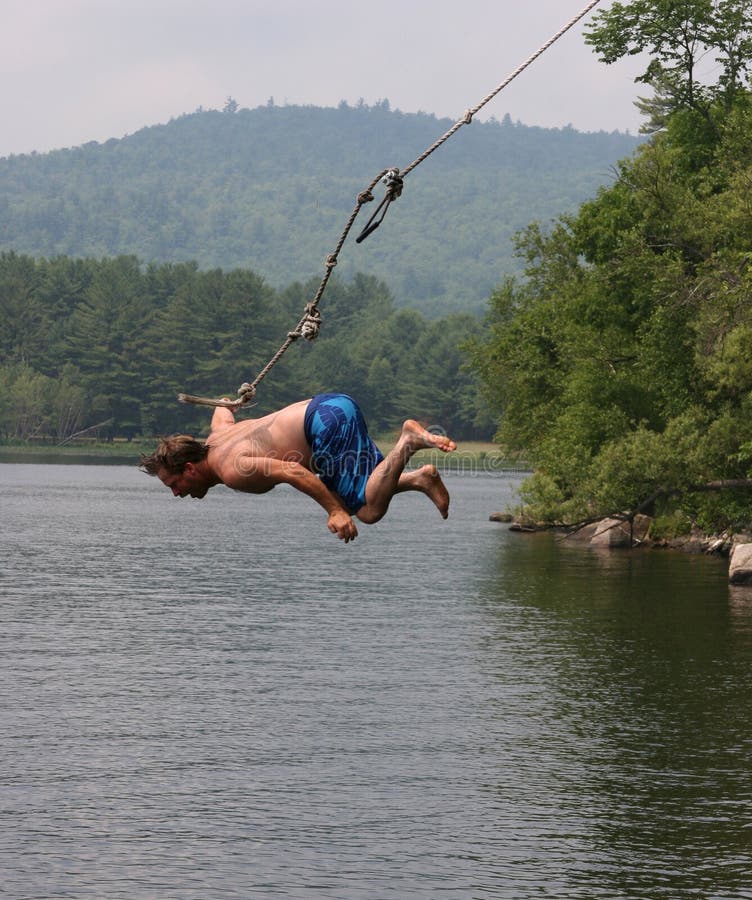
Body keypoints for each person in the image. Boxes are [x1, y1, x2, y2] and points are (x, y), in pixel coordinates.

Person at [140, 392, 457, 542]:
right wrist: (230, 401)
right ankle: (419, 479)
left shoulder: (233, 469)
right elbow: (222, 409)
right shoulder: (218, 435)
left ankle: (408, 442)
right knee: (359, 490)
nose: (176, 494)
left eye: (174, 485)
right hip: (331, 406)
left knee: (368, 511)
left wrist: (333, 512)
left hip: (324, 424)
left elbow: (292, 472)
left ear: (191, 468)